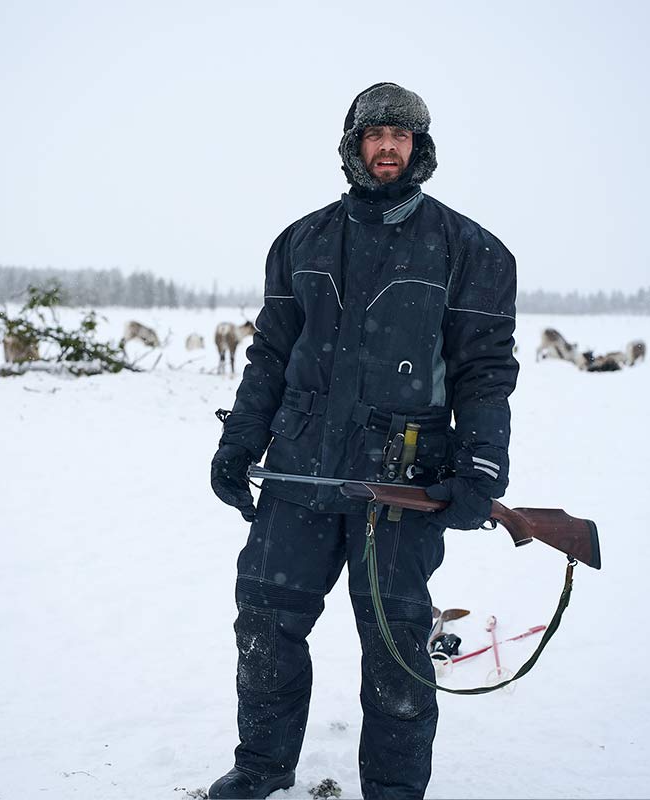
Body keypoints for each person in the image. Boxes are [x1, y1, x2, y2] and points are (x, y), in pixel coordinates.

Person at [208, 82, 520, 800]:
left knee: (395, 646)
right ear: (351, 146)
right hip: (298, 473)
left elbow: (484, 370)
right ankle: (261, 767)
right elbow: (270, 354)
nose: (387, 148)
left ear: (420, 149)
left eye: (401, 137)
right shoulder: (300, 242)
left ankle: (393, 790)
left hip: (402, 483)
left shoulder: (472, 251)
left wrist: (480, 467)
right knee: (264, 621)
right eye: (375, 135)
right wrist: (239, 441)